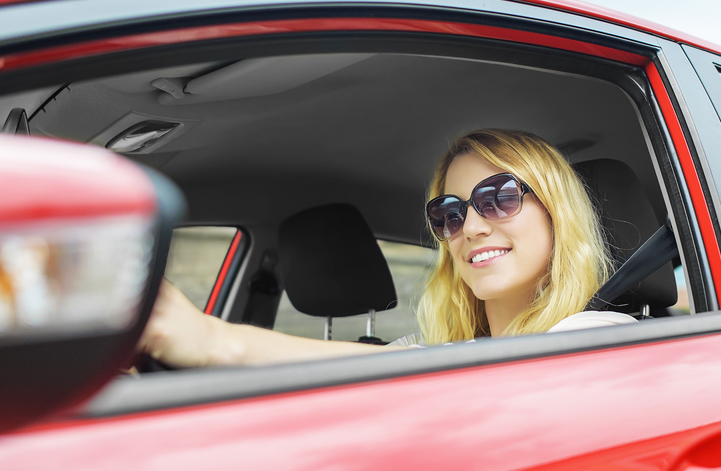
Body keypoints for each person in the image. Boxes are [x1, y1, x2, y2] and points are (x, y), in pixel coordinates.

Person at [138, 129, 636, 367]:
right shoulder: (427, 351)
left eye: (499, 198)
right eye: (451, 213)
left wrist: (210, 340)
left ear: (557, 214)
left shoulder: (603, 337)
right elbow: (351, 364)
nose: (472, 228)